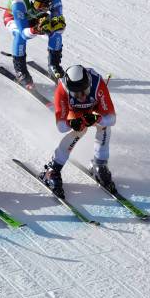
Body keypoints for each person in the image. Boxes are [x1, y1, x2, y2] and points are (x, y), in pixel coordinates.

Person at [40, 65, 116, 198]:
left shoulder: (98, 84)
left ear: (89, 84)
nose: (81, 97)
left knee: (104, 126)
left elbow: (112, 118)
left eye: (85, 91)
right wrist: (72, 123)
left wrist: (97, 118)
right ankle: (53, 169)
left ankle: (100, 164)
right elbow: (61, 127)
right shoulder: (62, 89)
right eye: (75, 93)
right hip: (73, 111)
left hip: (94, 108)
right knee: (79, 131)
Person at [3, 0, 66, 86]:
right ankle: (20, 70)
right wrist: (36, 29)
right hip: (15, 18)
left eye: (47, 6)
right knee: (19, 36)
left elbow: (60, 28)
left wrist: (55, 25)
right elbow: (24, 34)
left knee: (55, 32)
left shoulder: (55, 0)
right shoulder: (18, 2)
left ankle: (54, 66)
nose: (43, 8)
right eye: (39, 5)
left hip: (36, 17)